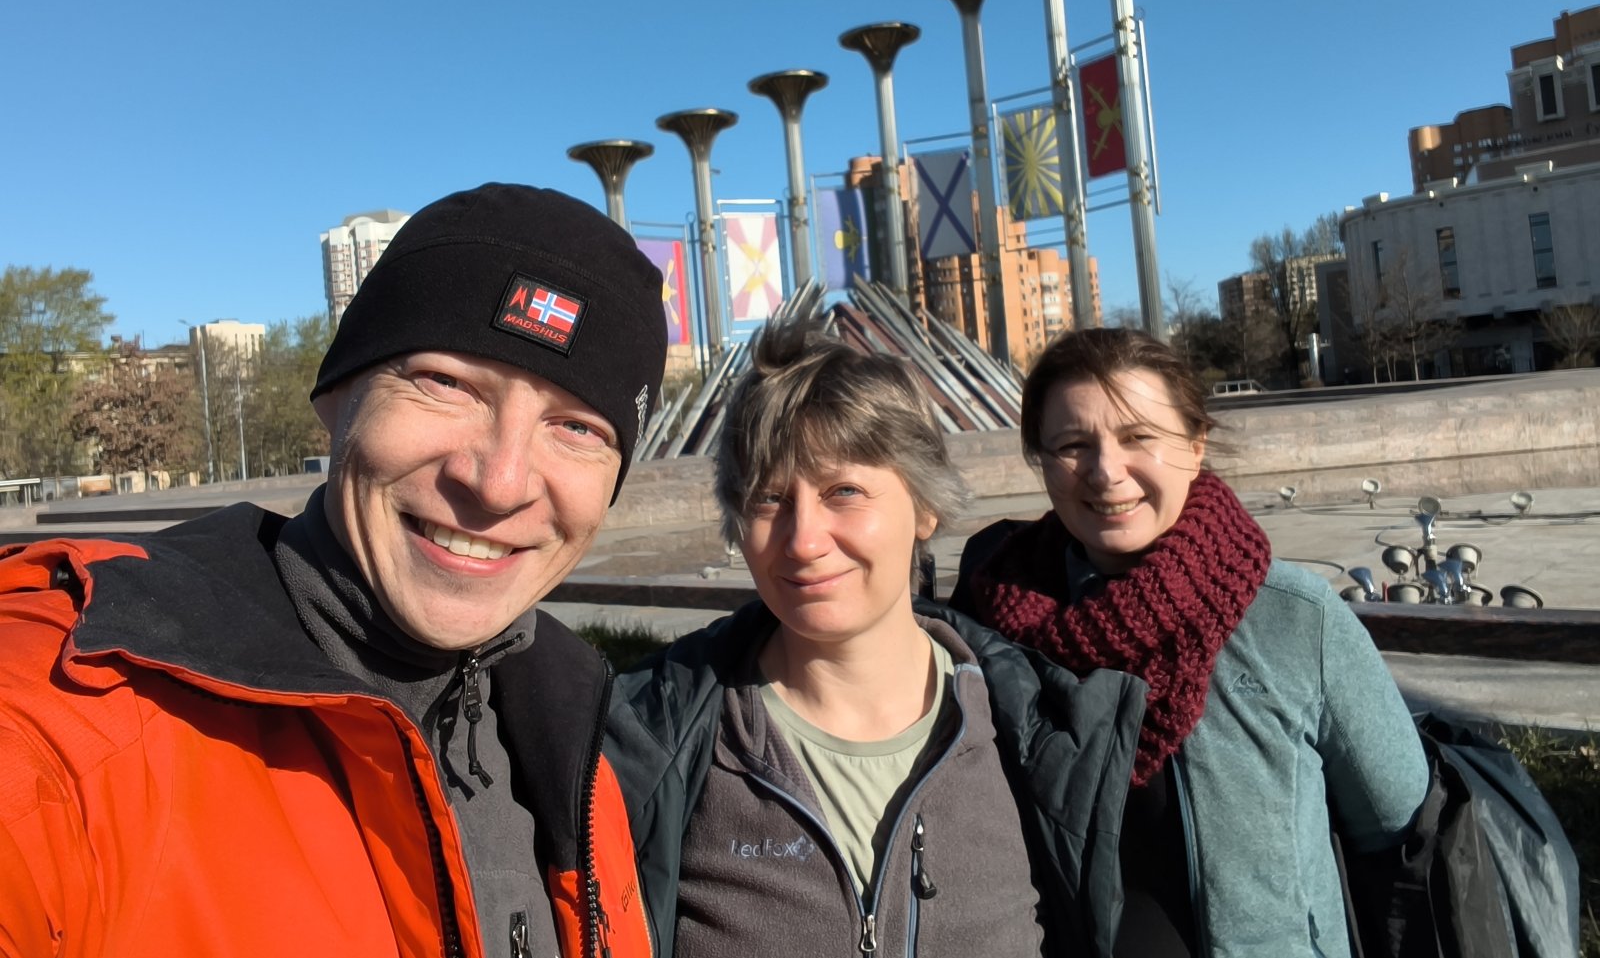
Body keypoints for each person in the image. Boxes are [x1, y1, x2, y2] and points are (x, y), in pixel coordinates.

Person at [0, 184, 661, 958]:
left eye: (577, 427)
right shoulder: (78, 698)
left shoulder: (574, 736)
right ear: (338, 393)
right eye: (446, 383)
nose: (500, 482)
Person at [605, 320, 1147, 958]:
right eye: (769, 498)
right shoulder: (641, 742)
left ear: (925, 506)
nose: (804, 541)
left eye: (845, 491)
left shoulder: (1041, 737)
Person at [951, 327, 1429, 958]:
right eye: (1072, 445)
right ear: (1041, 460)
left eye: (1138, 437)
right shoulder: (988, 629)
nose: (1105, 471)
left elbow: (1397, 822)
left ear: (1195, 444)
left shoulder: (1294, 619)